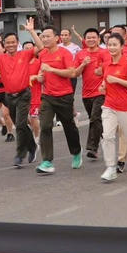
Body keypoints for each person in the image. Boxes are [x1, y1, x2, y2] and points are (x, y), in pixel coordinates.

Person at [32, 26, 82, 174]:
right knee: (45, 126)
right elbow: (41, 73)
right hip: (47, 96)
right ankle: (47, 161)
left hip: (64, 96)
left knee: (69, 126)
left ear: (56, 38)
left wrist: (52, 70)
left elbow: (72, 73)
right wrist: (40, 78)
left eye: (48, 36)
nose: (45, 39)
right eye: (43, 37)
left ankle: (76, 152)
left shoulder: (64, 53)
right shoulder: (43, 54)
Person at [100, 33, 127, 181]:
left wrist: (117, 80)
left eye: (114, 45)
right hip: (109, 105)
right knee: (107, 136)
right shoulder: (106, 63)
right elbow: (106, 81)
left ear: (121, 47)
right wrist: (103, 86)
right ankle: (111, 167)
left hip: (125, 107)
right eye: (109, 45)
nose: (111, 47)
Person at [0, 24, 39, 168]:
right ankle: (32, 146)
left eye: (13, 42)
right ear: (4, 45)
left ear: (17, 43)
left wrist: (31, 31)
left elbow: (40, 46)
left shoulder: (24, 54)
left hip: (24, 94)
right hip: (9, 96)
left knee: (19, 125)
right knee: (20, 125)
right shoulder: (0, 58)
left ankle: (20, 154)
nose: (11, 44)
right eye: (8, 42)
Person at [73, 28, 109, 161]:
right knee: (97, 122)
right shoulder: (81, 54)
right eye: (88, 37)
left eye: (94, 37)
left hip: (101, 92)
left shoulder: (105, 53)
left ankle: (92, 148)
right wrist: (83, 64)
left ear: (99, 39)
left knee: (95, 118)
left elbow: (111, 68)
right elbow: (75, 74)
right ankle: (109, 139)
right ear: (85, 39)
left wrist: (103, 71)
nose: (91, 40)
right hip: (86, 94)